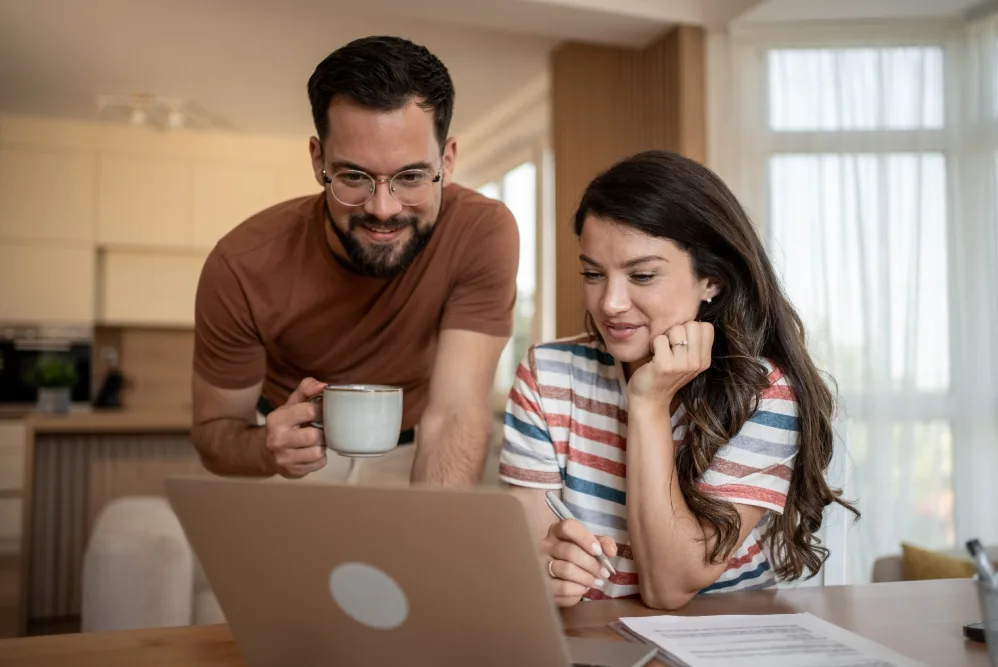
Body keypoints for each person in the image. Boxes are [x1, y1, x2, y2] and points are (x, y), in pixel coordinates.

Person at [499, 150, 858, 610]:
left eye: (642, 275)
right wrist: (547, 568)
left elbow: (668, 587)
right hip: (591, 638)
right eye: (593, 274)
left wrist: (647, 404)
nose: (610, 303)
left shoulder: (763, 394)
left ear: (711, 279)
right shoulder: (547, 373)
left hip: (722, 641)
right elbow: (533, 547)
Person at [190, 35, 518, 486]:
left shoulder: (481, 231)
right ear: (318, 160)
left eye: (411, 176)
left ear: (448, 159)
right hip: (293, 454)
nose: (383, 208)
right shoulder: (240, 265)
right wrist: (265, 449)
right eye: (353, 176)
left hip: (420, 445)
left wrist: (432, 543)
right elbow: (214, 436)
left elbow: (457, 412)